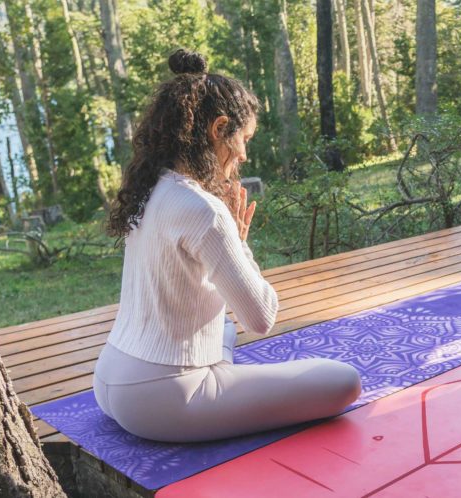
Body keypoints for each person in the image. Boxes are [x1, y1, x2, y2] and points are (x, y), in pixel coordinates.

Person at [93, 49, 361, 443]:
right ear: (220, 128)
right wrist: (238, 241)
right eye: (245, 139)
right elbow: (261, 316)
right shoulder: (204, 210)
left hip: (110, 377)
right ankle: (215, 380)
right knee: (343, 381)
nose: (244, 154)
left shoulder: (151, 188)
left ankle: (218, 374)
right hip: (164, 401)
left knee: (223, 327)